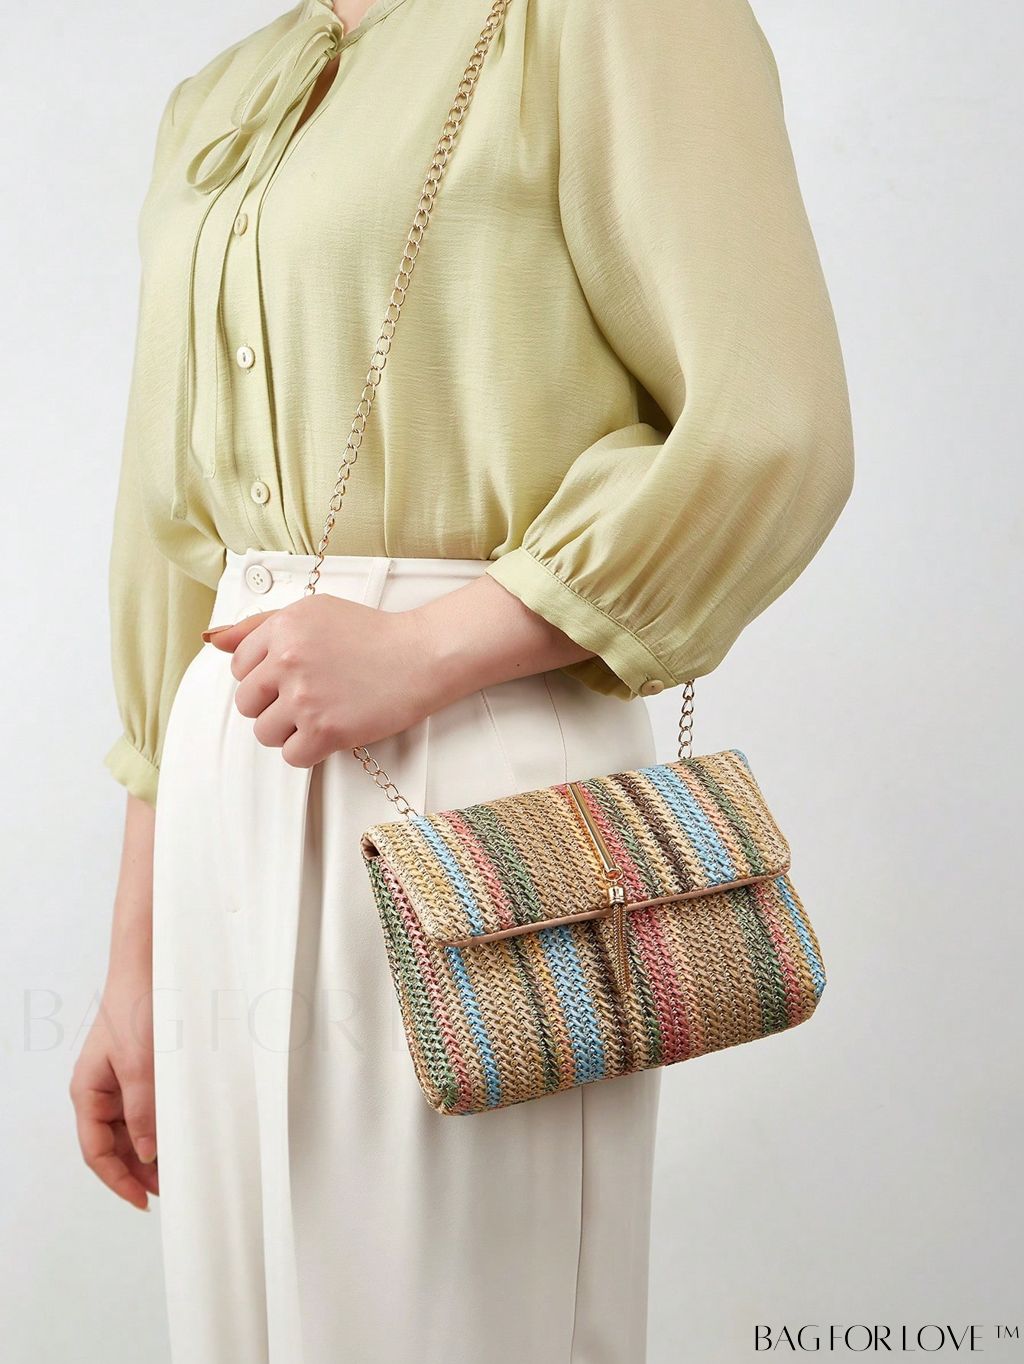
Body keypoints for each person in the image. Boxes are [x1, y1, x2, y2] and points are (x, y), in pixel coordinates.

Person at [69, 0, 855, 1359]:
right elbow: (167, 543)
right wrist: (130, 966)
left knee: (454, 1317)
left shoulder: (602, 21)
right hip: (223, 772)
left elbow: (772, 421)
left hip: (477, 749)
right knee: (236, 1326)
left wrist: (424, 650)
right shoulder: (222, 94)